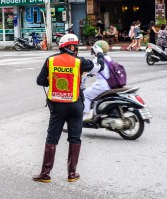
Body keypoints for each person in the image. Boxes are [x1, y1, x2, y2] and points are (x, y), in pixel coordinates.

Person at [34, 34, 105, 183]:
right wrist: (100, 54)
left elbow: (40, 81)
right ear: (72, 47)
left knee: (52, 138)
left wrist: (52, 80)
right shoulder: (80, 62)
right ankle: (72, 174)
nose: (77, 50)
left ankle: (45, 174)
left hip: (57, 107)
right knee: (75, 138)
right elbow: (99, 67)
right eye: (76, 47)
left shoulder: (51, 60)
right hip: (75, 106)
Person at [83, 40, 111, 121]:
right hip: (110, 84)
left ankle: (87, 115)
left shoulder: (97, 59)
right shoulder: (108, 58)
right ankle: (95, 114)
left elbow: (90, 70)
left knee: (85, 94)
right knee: (95, 97)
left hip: (101, 86)